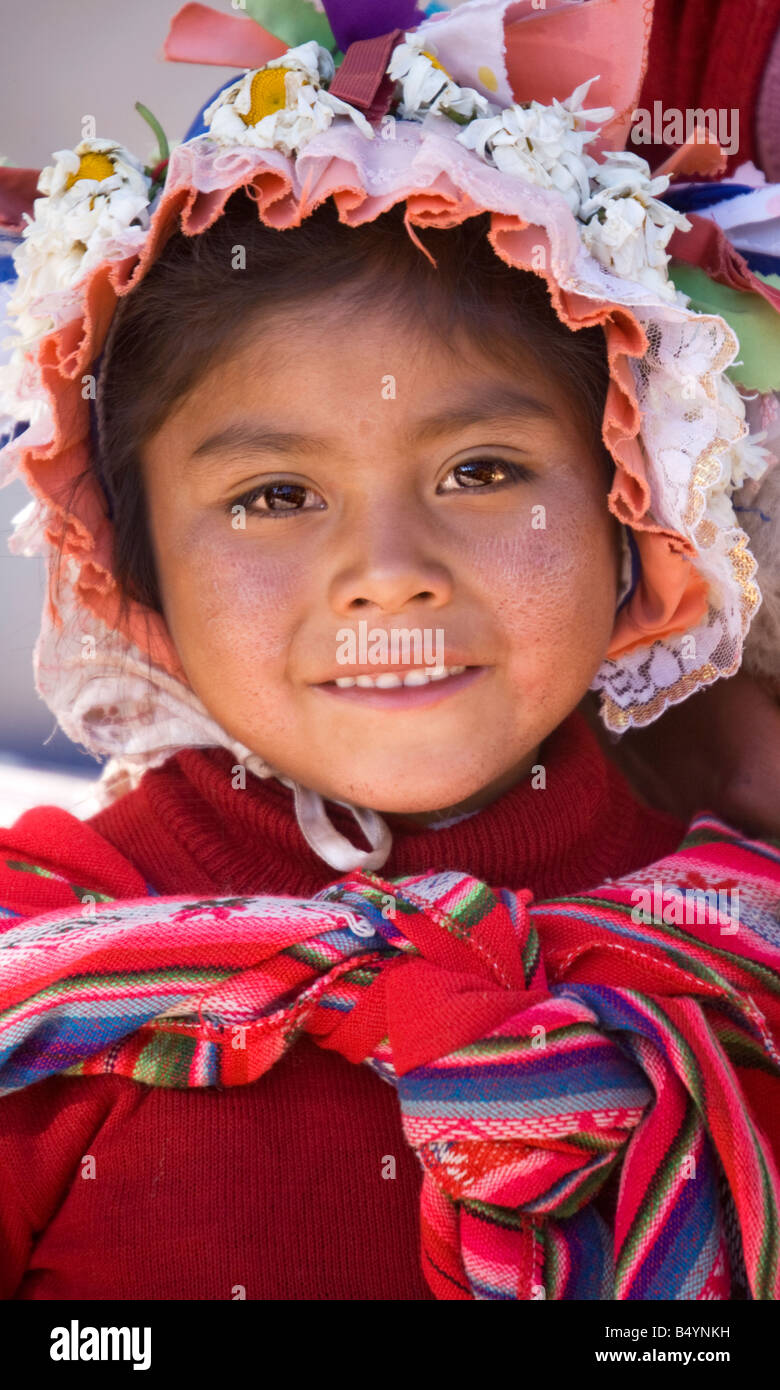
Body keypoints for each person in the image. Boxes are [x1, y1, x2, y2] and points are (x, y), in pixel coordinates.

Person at [0, 0, 778, 1302]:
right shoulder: (46, 965)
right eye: (273, 495)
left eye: (481, 469)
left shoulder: (735, 954)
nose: (389, 567)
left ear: (638, 512)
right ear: (129, 566)